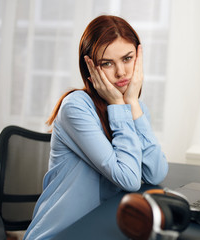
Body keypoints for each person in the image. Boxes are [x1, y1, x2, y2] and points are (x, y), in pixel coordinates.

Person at [24, 15, 168, 239]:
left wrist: (131, 104)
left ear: (138, 59)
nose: (121, 72)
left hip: (102, 229)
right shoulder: (75, 107)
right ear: (90, 68)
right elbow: (129, 179)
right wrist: (120, 104)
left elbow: (156, 172)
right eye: (107, 63)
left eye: (127, 58)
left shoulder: (135, 108)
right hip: (61, 234)